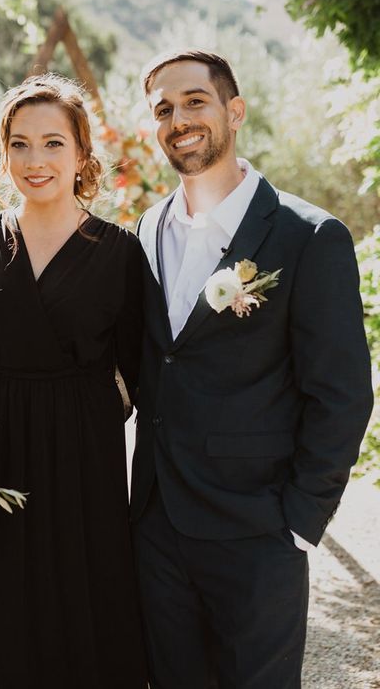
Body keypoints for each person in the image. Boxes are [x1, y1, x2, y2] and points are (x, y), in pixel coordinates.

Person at [132, 49, 374, 689]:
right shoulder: (146, 230)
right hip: (158, 526)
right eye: (163, 109)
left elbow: (342, 394)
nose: (178, 119)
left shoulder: (308, 236)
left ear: (233, 111)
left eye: (194, 102)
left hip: (257, 530)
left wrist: (299, 522)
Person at [0, 73, 149, 689]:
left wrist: (88, 415)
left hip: (82, 451)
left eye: (52, 144)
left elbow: (140, 371)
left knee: (85, 593)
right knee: (4, 596)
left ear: (81, 156)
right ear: (3, 152)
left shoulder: (120, 252)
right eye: (19, 144)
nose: (34, 161)